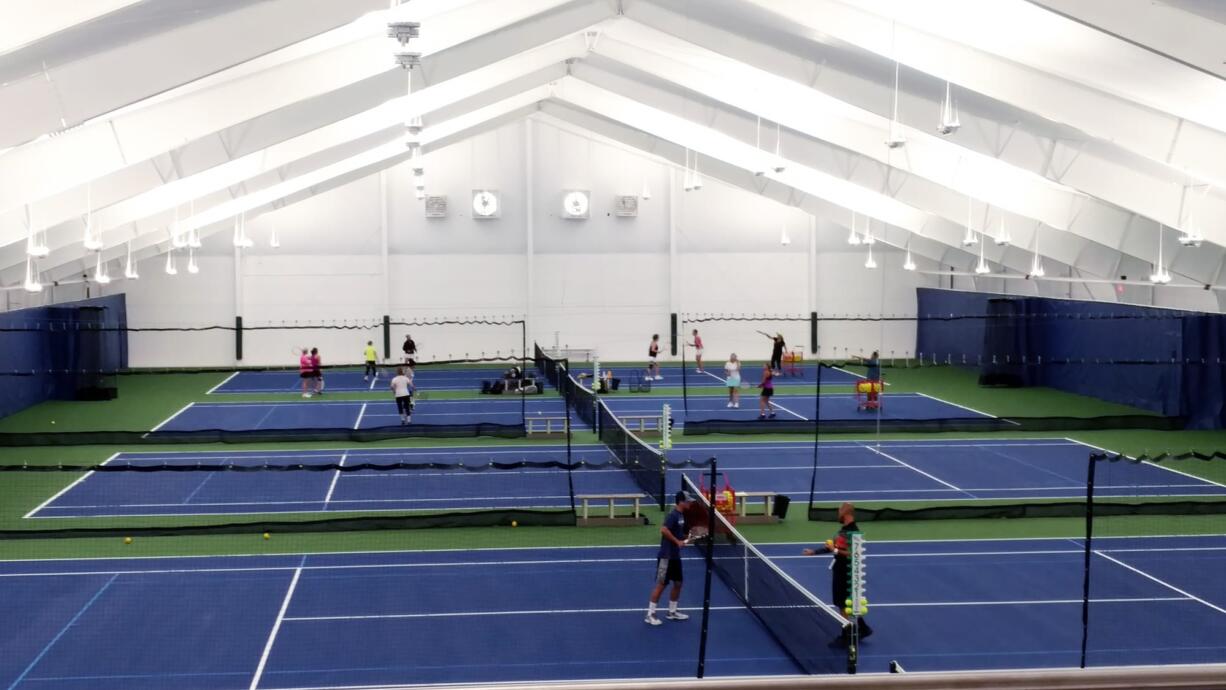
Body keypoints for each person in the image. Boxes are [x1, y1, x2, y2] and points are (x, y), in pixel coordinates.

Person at [802, 502, 874, 642]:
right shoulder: (843, 530)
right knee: (846, 604)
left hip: (846, 573)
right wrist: (814, 552)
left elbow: (854, 554)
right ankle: (864, 629)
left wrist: (834, 550)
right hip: (839, 570)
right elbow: (833, 547)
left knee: (843, 605)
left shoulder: (853, 532)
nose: (838, 513)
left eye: (840, 510)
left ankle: (846, 636)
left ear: (846, 513)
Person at [646, 491, 693, 626]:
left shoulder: (681, 516)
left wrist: (686, 538)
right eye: (687, 501)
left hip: (675, 557)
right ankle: (650, 614)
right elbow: (664, 530)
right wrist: (677, 542)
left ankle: (672, 612)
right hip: (666, 557)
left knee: (678, 583)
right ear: (681, 502)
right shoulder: (672, 515)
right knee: (662, 584)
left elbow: (678, 534)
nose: (689, 503)